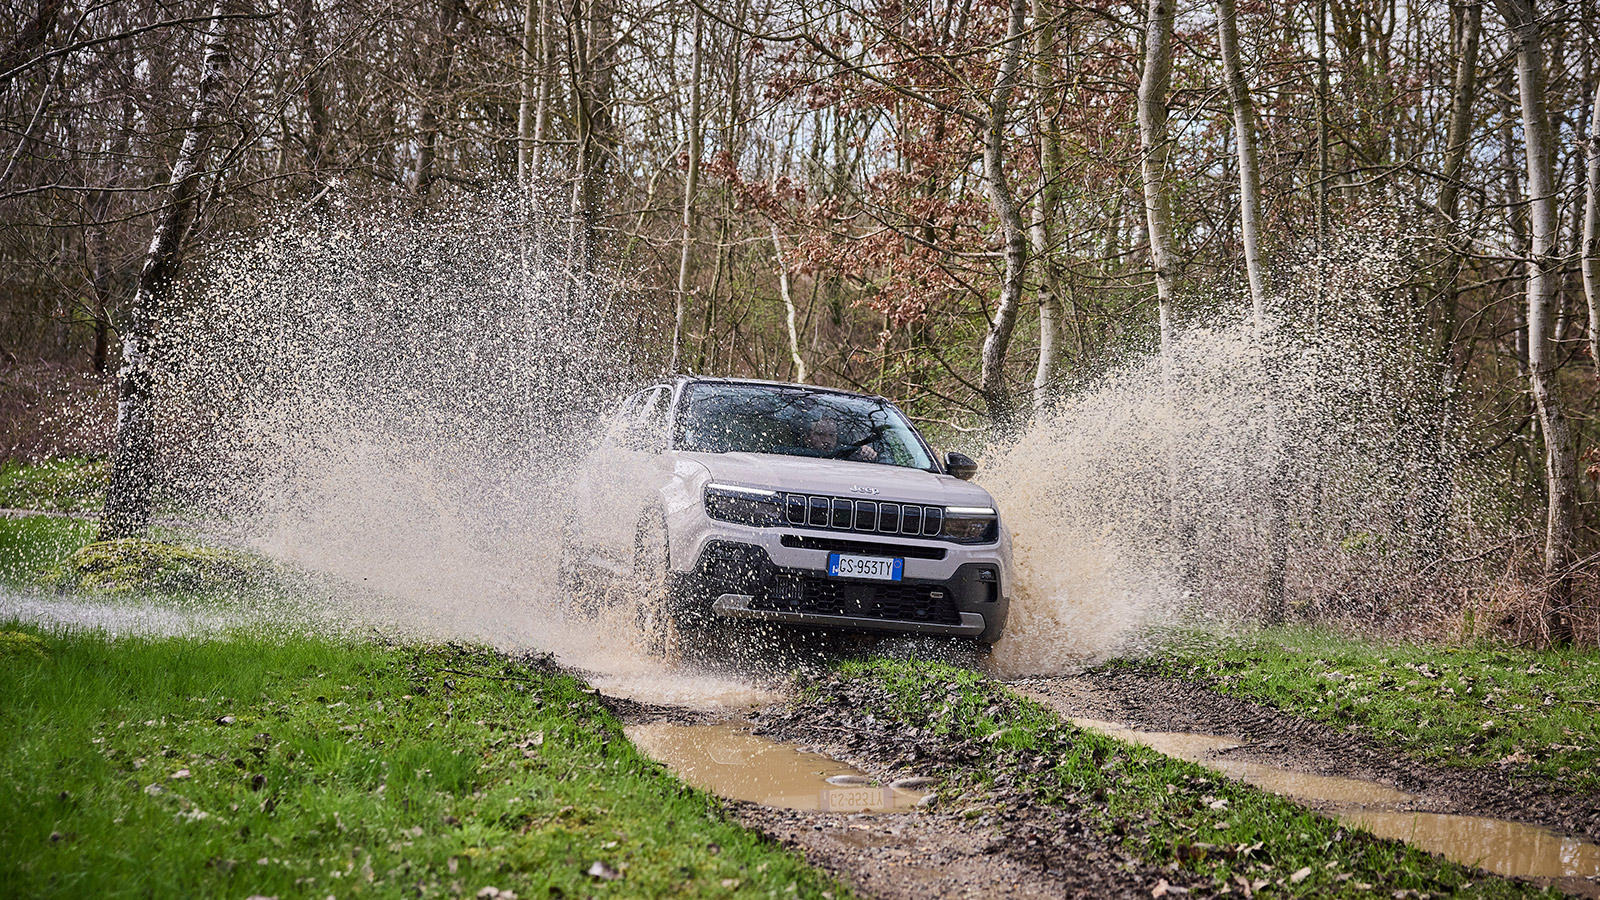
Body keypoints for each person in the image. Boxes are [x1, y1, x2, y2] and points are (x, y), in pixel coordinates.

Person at [801, 414, 878, 462]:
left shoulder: (848, 455)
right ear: (807, 437)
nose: (827, 440)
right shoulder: (793, 456)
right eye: (820, 434)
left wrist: (867, 453)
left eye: (831, 435)